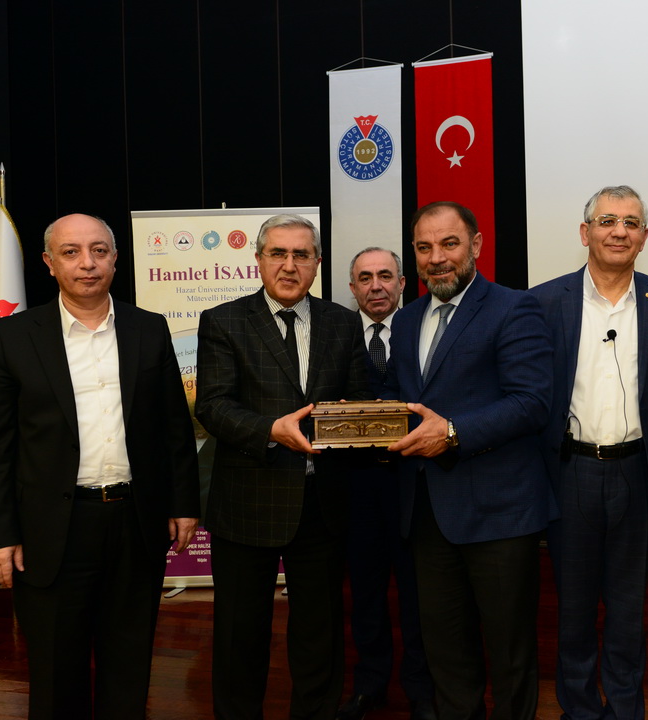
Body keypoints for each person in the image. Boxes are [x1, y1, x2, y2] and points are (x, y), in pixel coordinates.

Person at [0, 213, 201, 719]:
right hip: (52, 530)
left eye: (99, 251)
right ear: (49, 263)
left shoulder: (149, 328)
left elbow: (174, 427)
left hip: (135, 522)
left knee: (129, 666)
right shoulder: (13, 336)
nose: (87, 263)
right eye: (71, 252)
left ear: (115, 259)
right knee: (57, 673)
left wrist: (184, 503)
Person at [195, 214, 372, 719]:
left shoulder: (342, 322)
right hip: (247, 502)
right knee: (240, 635)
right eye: (278, 253)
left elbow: (358, 398)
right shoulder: (224, 321)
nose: (289, 265)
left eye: (301, 255)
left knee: (320, 634)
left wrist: (358, 421)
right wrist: (271, 430)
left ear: (317, 263)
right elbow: (213, 406)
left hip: (322, 504)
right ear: (258, 260)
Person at [385, 201, 556, 719]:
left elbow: (532, 402)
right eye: (424, 248)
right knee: (445, 651)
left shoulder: (514, 308)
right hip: (427, 514)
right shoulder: (405, 319)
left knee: (509, 653)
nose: (436, 258)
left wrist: (453, 432)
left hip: (500, 514)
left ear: (476, 245)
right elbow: (403, 403)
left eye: (449, 244)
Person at [529, 186, 648, 720]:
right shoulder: (543, 301)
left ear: (644, 236)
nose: (619, 231)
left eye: (631, 223)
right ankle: (578, 709)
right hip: (570, 472)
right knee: (573, 610)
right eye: (607, 221)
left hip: (637, 474)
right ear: (585, 233)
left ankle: (624, 709)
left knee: (628, 610)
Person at [338, 247, 435, 720]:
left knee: (419, 594)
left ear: (402, 283)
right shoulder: (334, 333)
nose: (375, 286)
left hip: (414, 484)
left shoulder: (423, 327)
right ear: (352, 288)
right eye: (365, 278)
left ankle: (421, 689)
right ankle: (370, 683)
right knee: (365, 593)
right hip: (355, 488)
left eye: (384, 276)